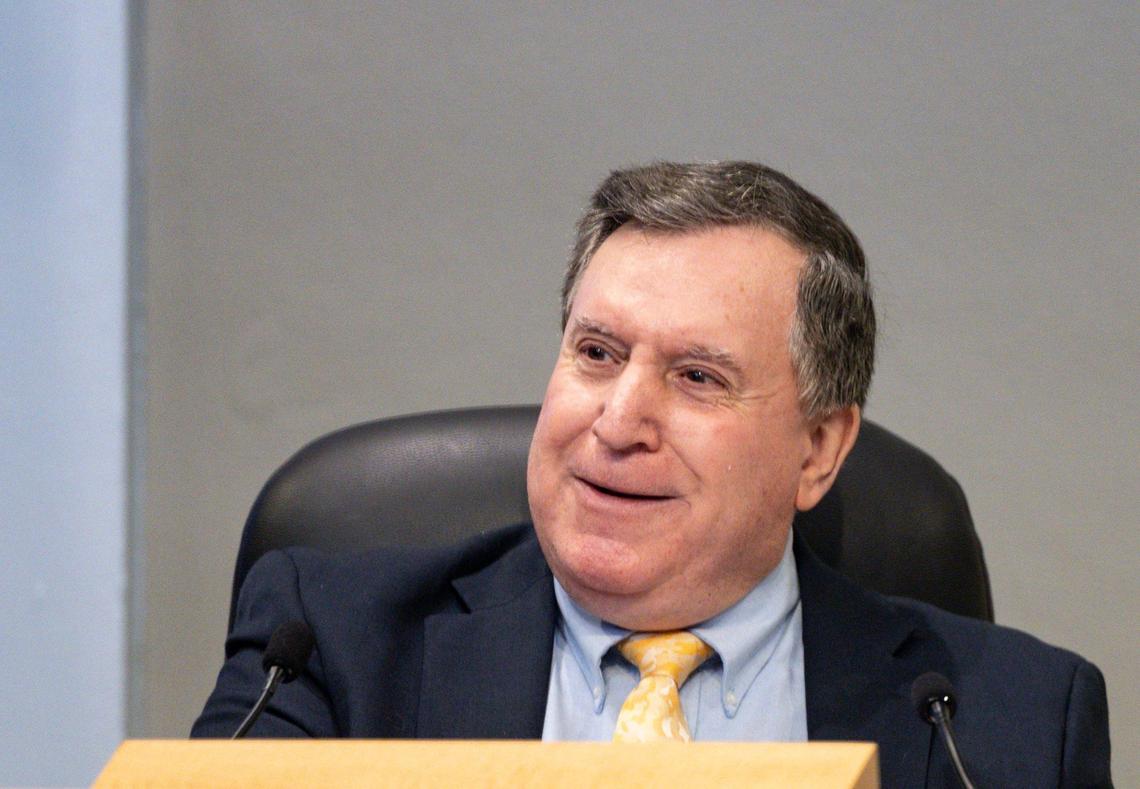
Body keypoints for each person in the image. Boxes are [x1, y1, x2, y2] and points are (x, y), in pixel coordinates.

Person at [193, 161, 1111, 787]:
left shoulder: (1011, 720)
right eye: (596, 352)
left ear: (819, 448)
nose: (618, 418)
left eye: (697, 377)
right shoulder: (325, 645)